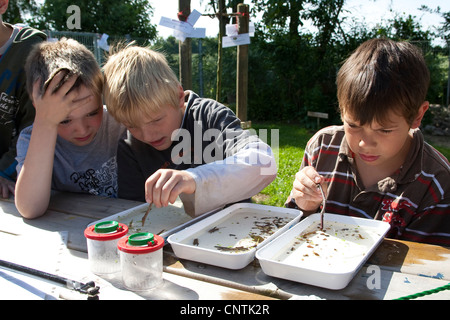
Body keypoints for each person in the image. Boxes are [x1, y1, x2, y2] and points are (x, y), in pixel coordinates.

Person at [286, 38, 450, 246]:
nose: (365, 143)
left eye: (384, 130)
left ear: (417, 116)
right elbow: (292, 229)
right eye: (353, 125)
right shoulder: (322, 148)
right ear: (341, 109)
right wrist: (304, 205)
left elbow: (427, 266)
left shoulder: (436, 182)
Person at [102, 45, 277, 217]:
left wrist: (193, 179)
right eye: (132, 126)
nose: (147, 135)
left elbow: (263, 162)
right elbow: (133, 213)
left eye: (156, 120)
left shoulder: (209, 116)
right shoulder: (130, 146)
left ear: (179, 97)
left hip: (236, 227)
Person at [15, 38, 125, 219]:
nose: (82, 130)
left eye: (92, 113)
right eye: (64, 121)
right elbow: (30, 208)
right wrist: (46, 123)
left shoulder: (119, 121)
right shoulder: (31, 138)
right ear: (38, 108)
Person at [0, 0, 46, 198]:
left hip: (18, 176)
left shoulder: (30, 50)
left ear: (2, 4)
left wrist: (3, 172)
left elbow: (34, 126)